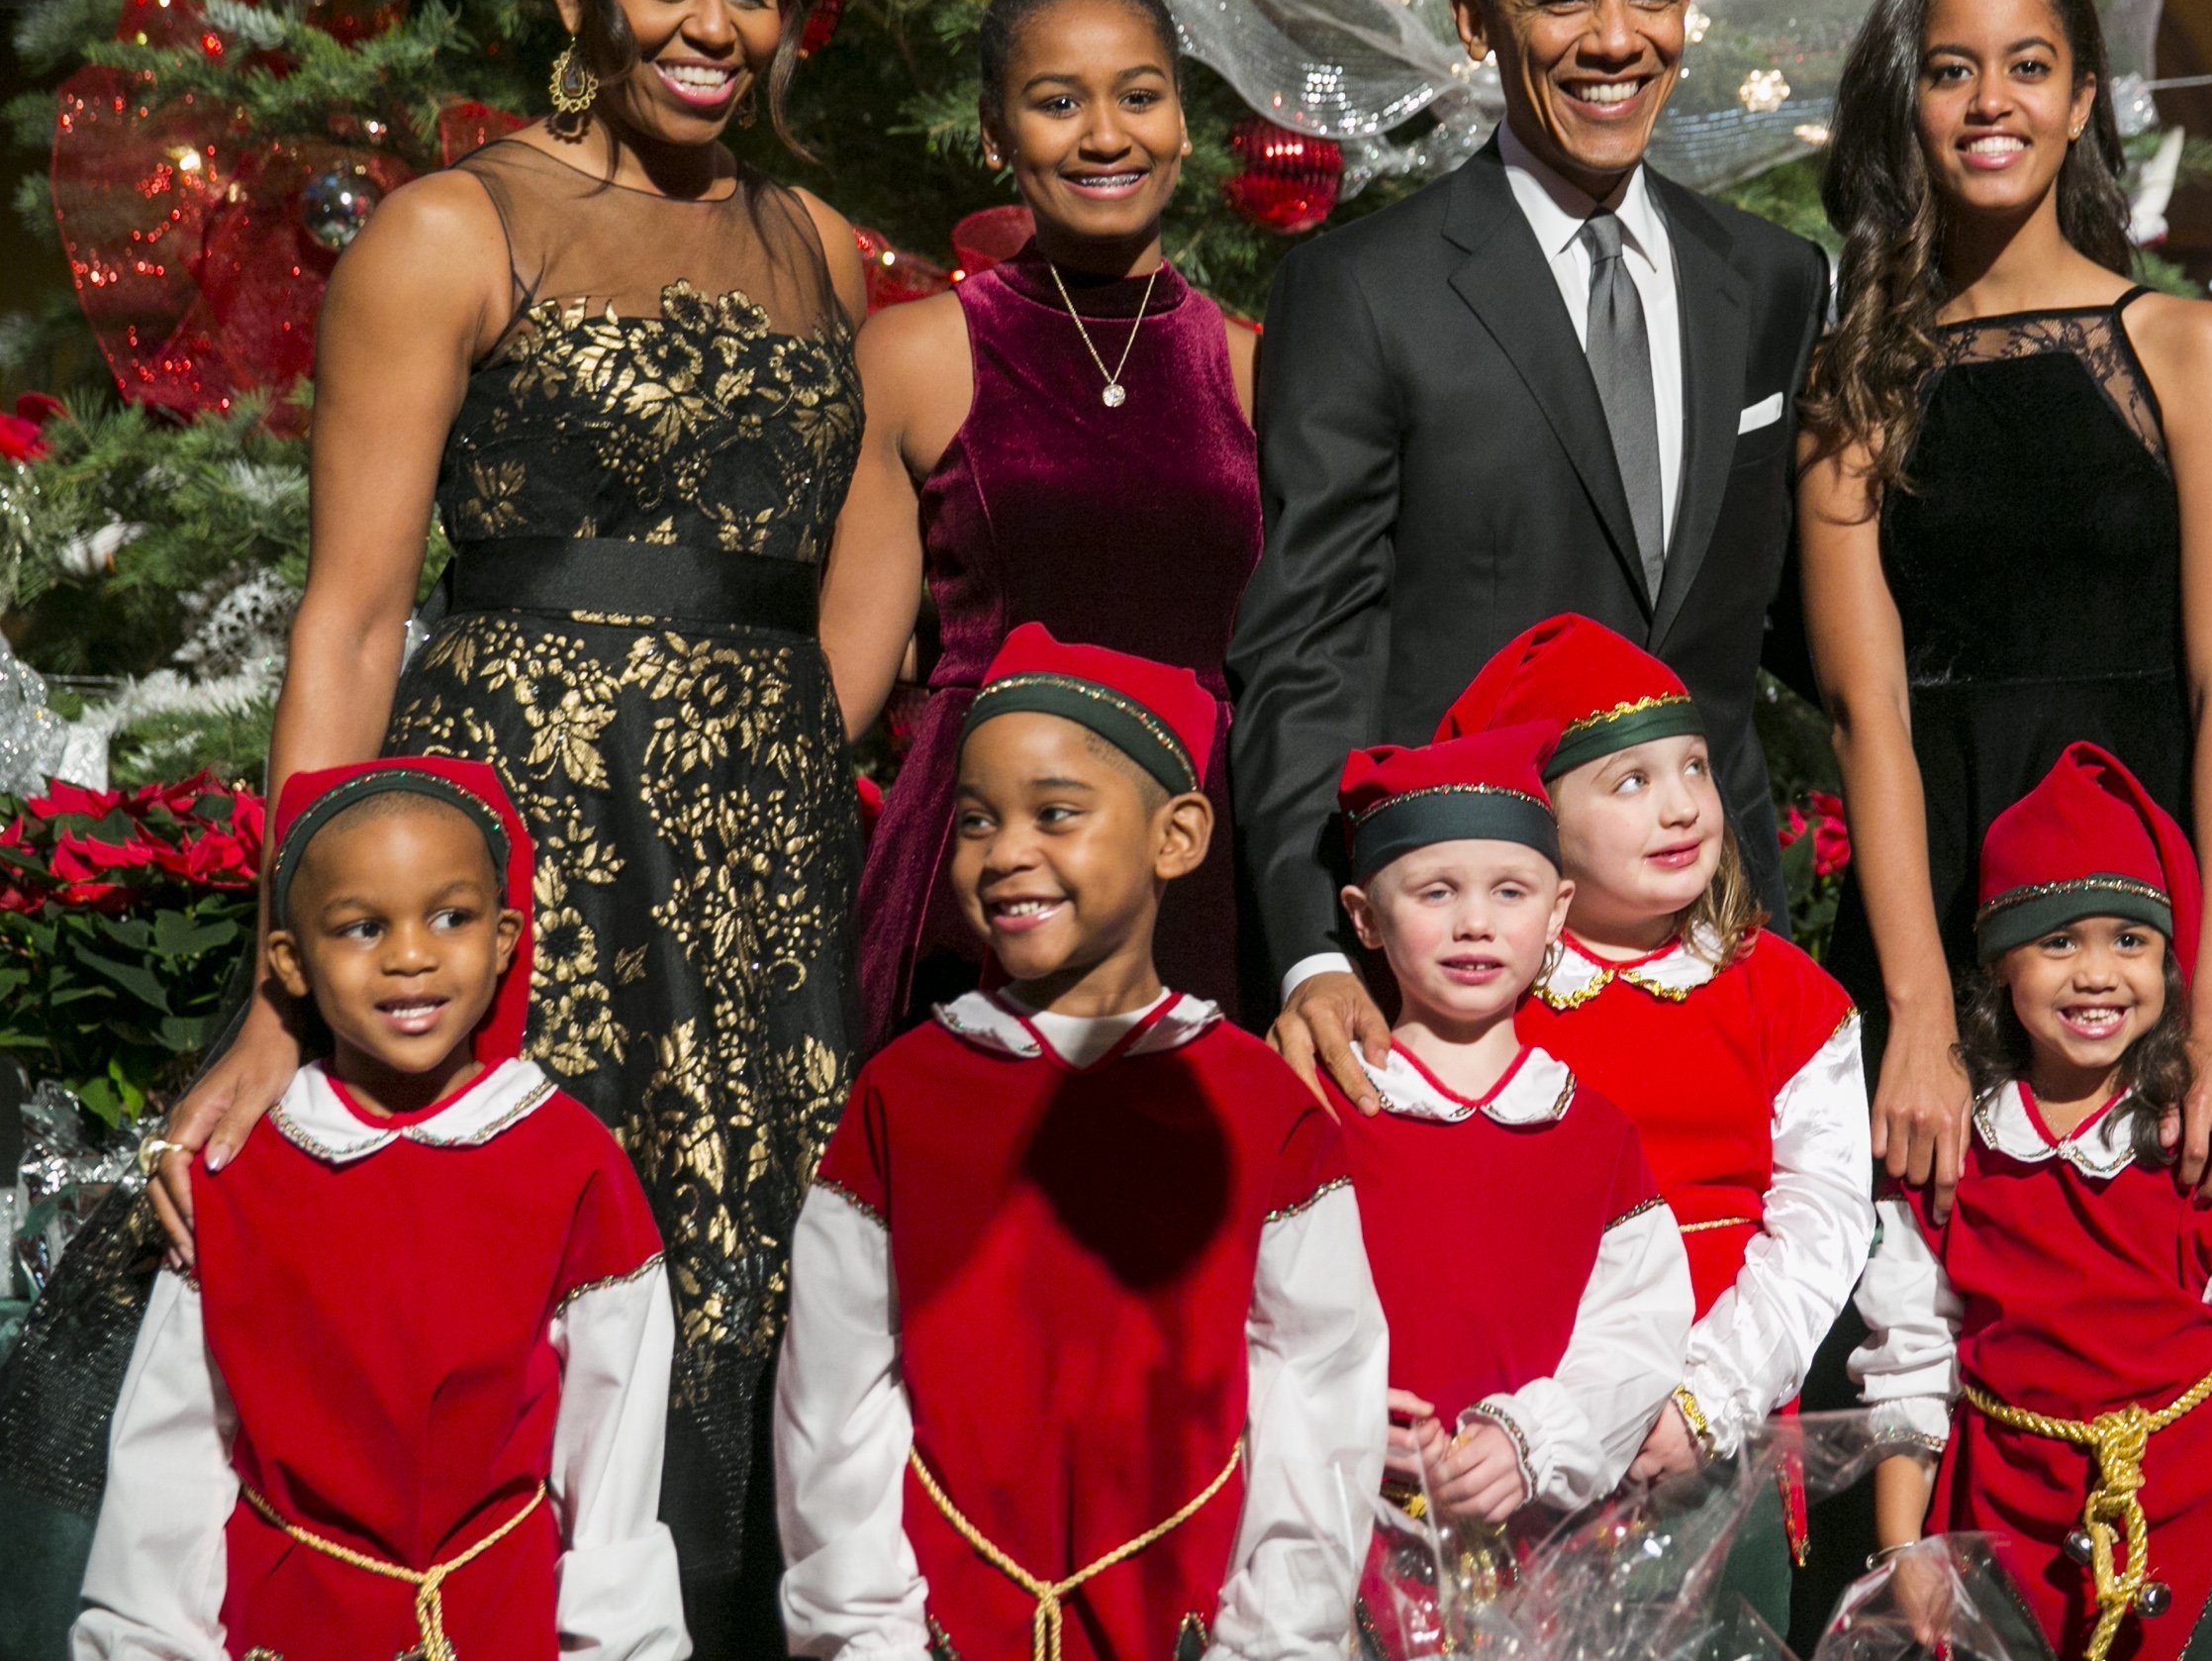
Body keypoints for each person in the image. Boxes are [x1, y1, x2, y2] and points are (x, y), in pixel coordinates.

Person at [0, 0, 869, 1647]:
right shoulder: (449, 234)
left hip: (765, 862)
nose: (716, 27)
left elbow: (827, 584)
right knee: (510, 1294)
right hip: (533, 837)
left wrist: (817, 784)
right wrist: (280, 984)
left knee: (764, 1308)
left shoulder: (818, 245)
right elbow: (353, 616)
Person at [1238, 0, 1830, 1083]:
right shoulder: (1361, 291)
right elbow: (1306, 647)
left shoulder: (1773, 280)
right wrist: (1311, 949)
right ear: (1476, 21)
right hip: (1465, 959)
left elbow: (1786, 622)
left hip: (1719, 948)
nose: (1615, 40)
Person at [1799, 0, 2212, 1212]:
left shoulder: (2185, 346)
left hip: (2169, 899)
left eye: (2029, 64)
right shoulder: (1857, 380)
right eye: (1952, 70)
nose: (1992, 100)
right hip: (1935, 904)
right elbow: (1863, 715)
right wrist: (1922, 1010)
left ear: (2083, 99)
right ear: (1911, 101)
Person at [775, 626, 1386, 1661]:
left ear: (1177, 836)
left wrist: (1276, 1638)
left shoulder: (1259, 1107)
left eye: (1055, 814)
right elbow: (833, 1399)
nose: (1006, 851)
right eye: (975, 822)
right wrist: (863, 1637)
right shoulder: (903, 1095)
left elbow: (1321, 1388)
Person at [77, 759, 682, 1661]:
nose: (410, 954)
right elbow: (170, 1458)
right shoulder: (240, 1171)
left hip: (498, 1620)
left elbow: (615, 1457)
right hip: (289, 1626)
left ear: (508, 933)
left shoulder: (574, 1163)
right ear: (291, 961)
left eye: (451, 917)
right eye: (363, 926)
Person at [823, 0, 1264, 1041]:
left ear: (1182, 120)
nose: (1105, 135)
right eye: (1057, 102)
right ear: (993, 132)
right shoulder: (917, 355)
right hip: (977, 871)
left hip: (1197, 857)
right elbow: (848, 677)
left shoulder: (1257, 365)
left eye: (1139, 97)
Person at [1427, 613, 1870, 1628]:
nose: (1680, 808)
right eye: (1630, 782)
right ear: (1539, 816)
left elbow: (1823, 1218)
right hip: (1520, 1427)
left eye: (1693, 770)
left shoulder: (1786, 997)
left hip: (1722, 1428)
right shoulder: (1483, 990)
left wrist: (1703, 1401)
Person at [1853, 742, 2212, 1661]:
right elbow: (1909, 1364)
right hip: (2001, 1537)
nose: (2098, 973)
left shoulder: (2204, 1148)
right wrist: (1903, 1547)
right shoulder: (1956, 1158)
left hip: (2191, 1524)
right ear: (1999, 966)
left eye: (2130, 941)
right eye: (2059, 941)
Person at [1327, 726, 1689, 1547]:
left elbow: (1640, 1325)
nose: (1476, 924)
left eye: (1510, 892)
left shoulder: (1593, 1133)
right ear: (1366, 918)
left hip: (1540, 1553)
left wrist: (1533, 1441)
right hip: (1342, 1542)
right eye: (1436, 892)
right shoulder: (1323, 1111)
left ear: (1558, 908)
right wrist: (1332, 1403)